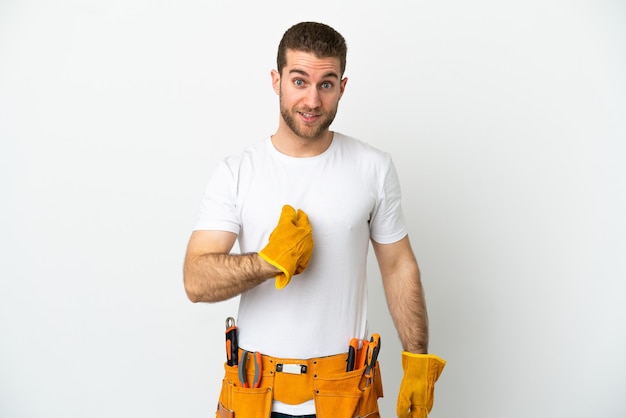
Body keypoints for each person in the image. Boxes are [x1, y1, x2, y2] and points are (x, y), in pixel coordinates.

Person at [183, 21, 445, 418]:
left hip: (346, 396)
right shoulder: (237, 171)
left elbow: (397, 265)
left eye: (326, 84)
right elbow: (195, 281)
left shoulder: (373, 167)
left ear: (342, 86)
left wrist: (417, 360)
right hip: (255, 393)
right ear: (276, 80)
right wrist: (267, 262)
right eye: (299, 80)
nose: (312, 100)